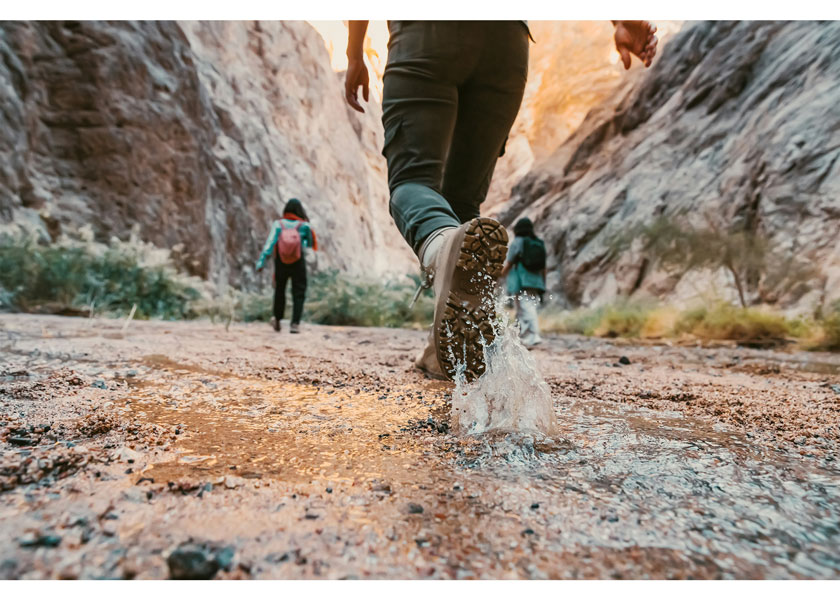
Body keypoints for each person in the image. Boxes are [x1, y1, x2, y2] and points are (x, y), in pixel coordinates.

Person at [345, 20, 657, 381]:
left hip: (426, 35)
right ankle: (444, 350)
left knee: (411, 183)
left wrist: (355, 53)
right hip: (507, 45)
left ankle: (441, 251)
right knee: (461, 209)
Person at [255, 198, 318, 334]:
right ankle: (295, 324)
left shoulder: (278, 224)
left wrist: (261, 262)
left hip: (281, 261)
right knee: (299, 292)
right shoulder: (304, 226)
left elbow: (270, 243)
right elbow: (309, 244)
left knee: (279, 290)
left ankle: (277, 320)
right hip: (297, 261)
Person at [500, 217, 547, 347]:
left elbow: (509, 263)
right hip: (535, 281)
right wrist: (543, 283)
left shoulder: (518, 242)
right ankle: (525, 336)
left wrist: (498, 276)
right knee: (526, 308)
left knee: (526, 308)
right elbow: (544, 268)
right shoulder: (538, 243)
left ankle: (534, 336)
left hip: (521, 281)